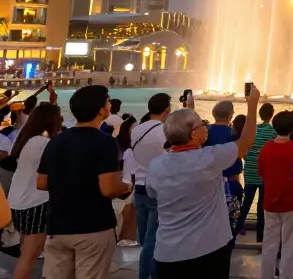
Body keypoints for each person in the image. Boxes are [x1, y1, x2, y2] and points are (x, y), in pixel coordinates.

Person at [147, 88, 260, 278]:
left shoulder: (156, 165)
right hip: (207, 252)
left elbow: (152, 193)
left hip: (167, 253)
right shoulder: (210, 158)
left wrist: (189, 108)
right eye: (202, 125)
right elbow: (246, 142)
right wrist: (252, 104)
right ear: (193, 134)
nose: (205, 127)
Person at [37, 85, 132, 279]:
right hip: (92, 227)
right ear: (100, 109)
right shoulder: (104, 141)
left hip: (58, 227)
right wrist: (126, 186)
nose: (110, 104)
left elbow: (42, 182)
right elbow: (108, 189)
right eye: (108, 101)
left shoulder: (56, 141)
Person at [9, 103, 62, 279]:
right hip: (35, 203)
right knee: (30, 255)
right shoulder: (44, 143)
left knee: (26, 251)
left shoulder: (26, 139)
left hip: (18, 201)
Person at [258, 108, 293, 279]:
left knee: (269, 245)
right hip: (292, 203)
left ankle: (266, 275)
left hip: (270, 203)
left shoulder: (266, 149)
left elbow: (261, 173)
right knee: (289, 247)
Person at [131, 92, 173, 279]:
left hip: (139, 187)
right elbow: (169, 158)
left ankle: (146, 270)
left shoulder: (136, 130)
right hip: (158, 188)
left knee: (143, 238)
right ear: (167, 110)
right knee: (153, 238)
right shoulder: (164, 131)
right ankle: (147, 275)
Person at [236, 101, 276, 241]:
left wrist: (250, 160)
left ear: (259, 114)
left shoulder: (253, 130)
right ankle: (260, 238)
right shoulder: (273, 132)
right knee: (261, 207)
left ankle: (235, 231)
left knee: (246, 203)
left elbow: (244, 150)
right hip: (265, 174)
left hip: (250, 171)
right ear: (272, 115)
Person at [203, 100, 244, 233]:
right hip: (231, 183)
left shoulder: (205, 133)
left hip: (208, 183)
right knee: (230, 222)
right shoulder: (234, 134)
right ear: (231, 114)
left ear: (213, 114)